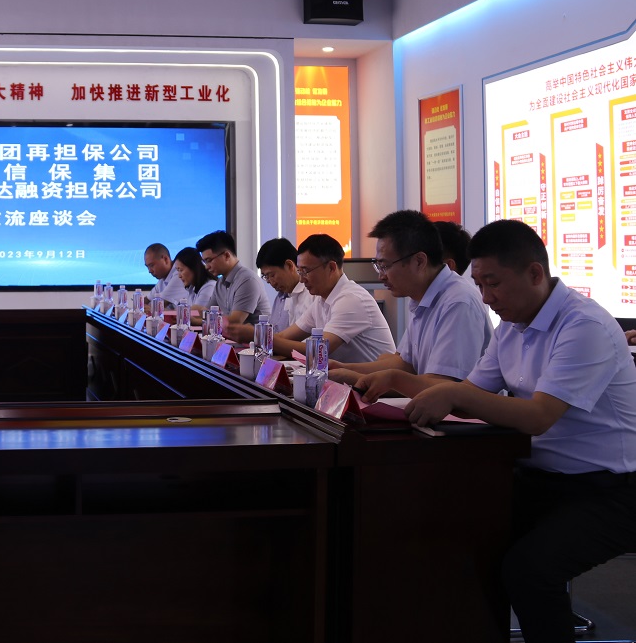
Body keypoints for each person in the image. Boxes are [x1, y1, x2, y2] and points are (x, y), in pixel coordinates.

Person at [400, 219, 636, 643]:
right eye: (479, 285)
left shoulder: (584, 326)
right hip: (541, 478)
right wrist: (421, 391)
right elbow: (473, 392)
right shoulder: (510, 325)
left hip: (612, 489)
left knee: (530, 570)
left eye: (493, 284)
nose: (486, 298)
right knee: (458, 536)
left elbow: (538, 416)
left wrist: (453, 395)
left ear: (535, 273)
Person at [335, 210, 492, 395]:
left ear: (419, 261)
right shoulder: (422, 298)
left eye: (385, 266)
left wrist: (354, 378)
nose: (381, 276)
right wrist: (343, 368)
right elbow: (405, 364)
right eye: (378, 266)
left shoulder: (458, 302)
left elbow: (442, 386)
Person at [271, 234, 396, 363]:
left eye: (306, 271)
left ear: (331, 268)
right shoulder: (321, 301)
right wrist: (265, 339)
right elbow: (284, 337)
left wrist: (265, 338)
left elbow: (317, 351)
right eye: (300, 272)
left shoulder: (351, 299)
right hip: (344, 375)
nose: (302, 280)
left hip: (373, 376)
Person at [224, 237, 312, 342]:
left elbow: (299, 343)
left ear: (289, 266)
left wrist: (256, 334)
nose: (269, 281)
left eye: (272, 275)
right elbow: (276, 334)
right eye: (265, 276)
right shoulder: (281, 296)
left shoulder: (310, 295)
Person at [195, 230, 270, 326]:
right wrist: (186, 314)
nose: (206, 267)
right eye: (205, 262)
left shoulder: (247, 280)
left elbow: (235, 321)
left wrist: (194, 321)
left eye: (209, 260)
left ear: (226, 255)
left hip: (255, 335)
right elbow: (207, 312)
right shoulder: (220, 283)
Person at [173, 246, 216, 319]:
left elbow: (196, 313)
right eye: (178, 271)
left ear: (193, 268)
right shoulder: (192, 288)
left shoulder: (209, 286)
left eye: (181, 270)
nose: (179, 276)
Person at [142, 243, 189, 307]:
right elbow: (147, 299)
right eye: (147, 267)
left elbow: (159, 305)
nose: (150, 271)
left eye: (152, 265)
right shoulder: (163, 279)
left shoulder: (178, 275)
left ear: (165, 259)